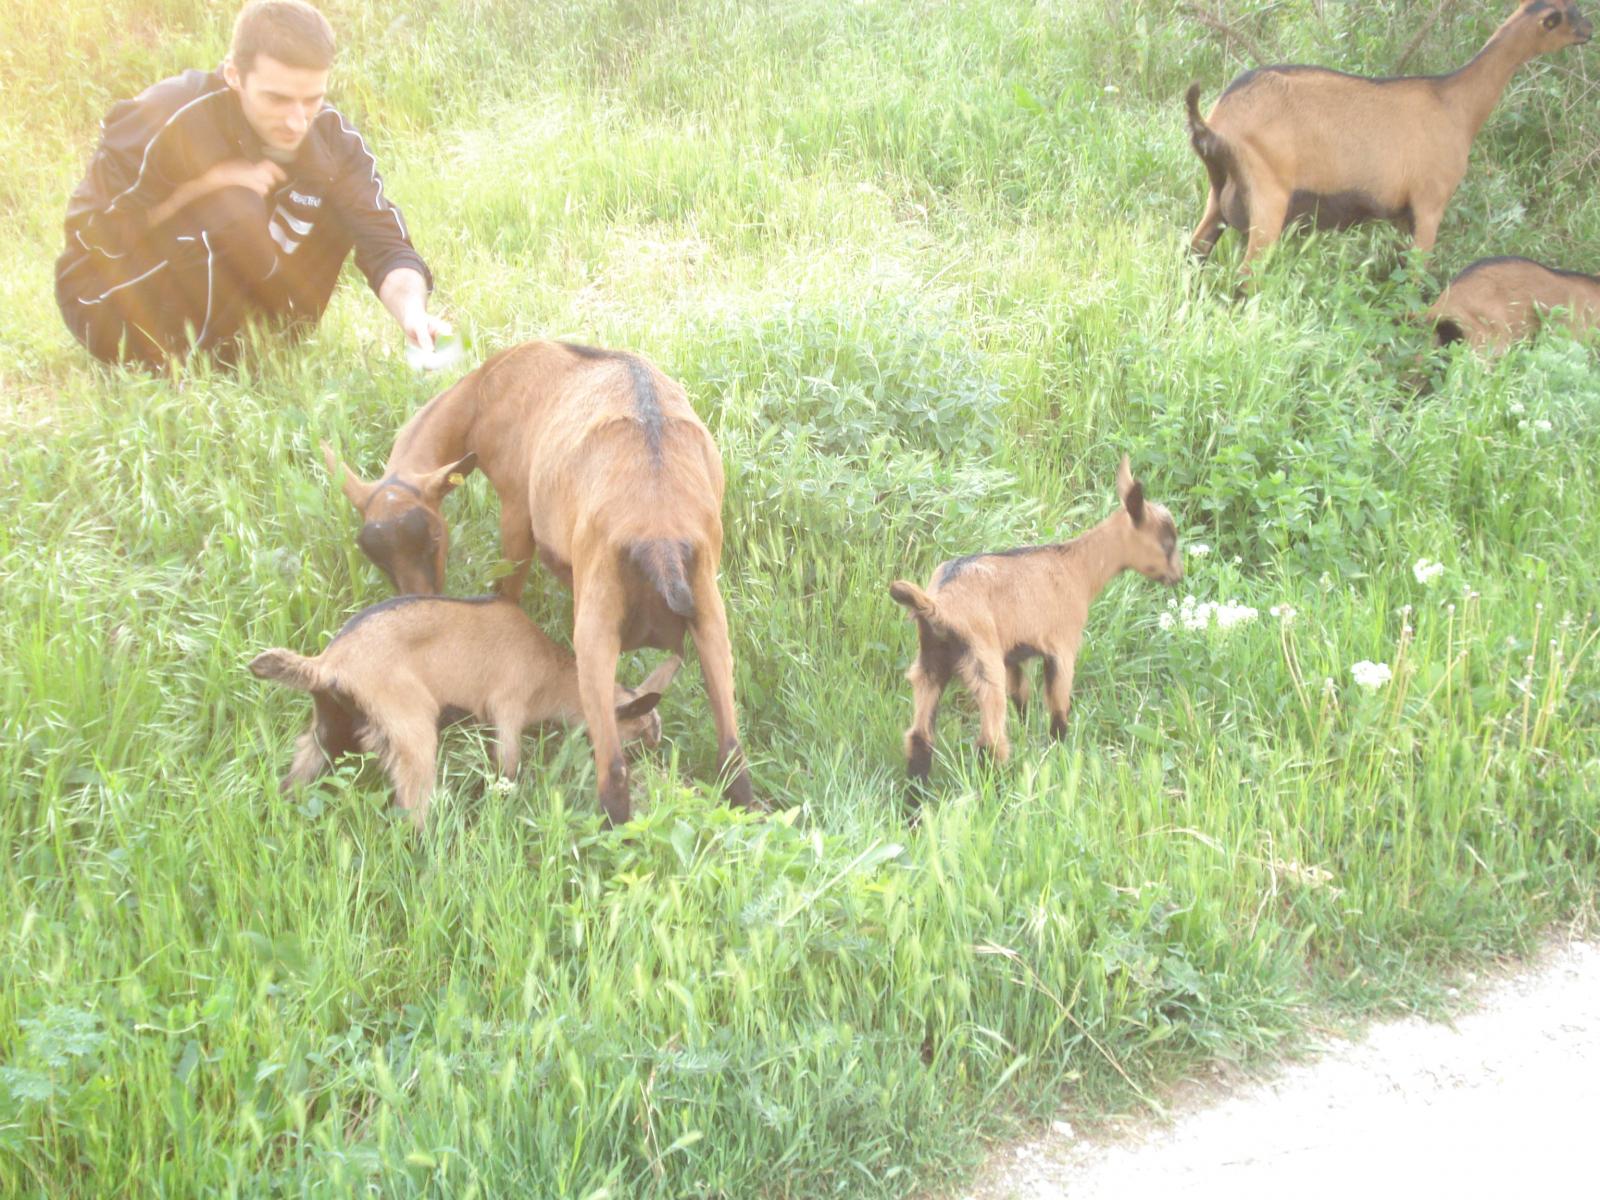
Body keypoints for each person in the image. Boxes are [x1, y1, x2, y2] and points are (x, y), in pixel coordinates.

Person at [55, 0, 447, 370]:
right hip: (107, 304)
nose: (297, 121)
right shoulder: (164, 116)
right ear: (234, 76)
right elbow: (92, 237)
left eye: (312, 99)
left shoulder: (333, 140)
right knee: (235, 206)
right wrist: (201, 187)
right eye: (277, 99)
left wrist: (413, 313)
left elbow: (385, 243)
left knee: (331, 197)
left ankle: (261, 348)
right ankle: (191, 370)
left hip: (237, 305)